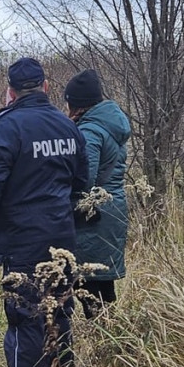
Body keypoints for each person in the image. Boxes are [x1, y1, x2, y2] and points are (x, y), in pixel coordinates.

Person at [0, 57, 88, 367]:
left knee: (25, 320)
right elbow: (81, 183)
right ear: (45, 87)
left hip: (22, 241)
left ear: (10, 91)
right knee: (60, 315)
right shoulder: (68, 127)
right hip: (62, 240)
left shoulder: (6, 128)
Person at [64, 69, 131, 318]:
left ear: (78, 104)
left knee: (90, 287)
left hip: (93, 216)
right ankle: (109, 340)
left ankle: (105, 344)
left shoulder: (90, 131)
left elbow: (83, 179)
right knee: (102, 286)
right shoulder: (108, 125)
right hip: (110, 210)